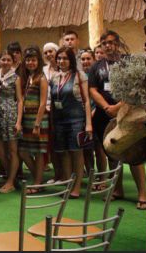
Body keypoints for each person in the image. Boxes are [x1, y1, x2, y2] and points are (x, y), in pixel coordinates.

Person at [88, 30, 146, 210]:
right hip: (104, 115)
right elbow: (92, 89)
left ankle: (142, 194)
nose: (108, 46)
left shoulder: (129, 62)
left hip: (128, 113)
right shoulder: (97, 66)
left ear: (118, 43)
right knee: (112, 152)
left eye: (111, 42)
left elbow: (138, 87)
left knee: (133, 153)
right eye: (104, 43)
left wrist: (119, 107)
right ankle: (117, 189)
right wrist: (107, 107)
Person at [49, 46, 93, 198]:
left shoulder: (80, 75)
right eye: (59, 58)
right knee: (64, 153)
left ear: (71, 60)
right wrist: (52, 123)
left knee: (76, 153)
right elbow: (53, 101)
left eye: (65, 58)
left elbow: (86, 101)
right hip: (59, 120)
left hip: (76, 119)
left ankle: (77, 187)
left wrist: (88, 124)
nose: (61, 61)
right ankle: (68, 184)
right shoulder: (54, 77)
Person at [0, 52, 23, 193]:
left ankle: (10, 181)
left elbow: (20, 100)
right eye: (3, 59)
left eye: (8, 60)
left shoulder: (16, 78)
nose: (5, 62)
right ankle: (12, 176)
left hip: (11, 115)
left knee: (12, 150)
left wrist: (18, 121)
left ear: (12, 62)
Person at [17, 47, 49, 188]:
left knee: (39, 152)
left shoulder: (42, 78)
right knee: (23, 151)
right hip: (26, 120)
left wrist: (37, 124)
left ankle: (37, 182)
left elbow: (43, 103)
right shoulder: (28, 77)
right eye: (28, 60)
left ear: (38, 61)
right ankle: (38, 178)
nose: (30, 63)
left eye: (33, 60)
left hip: (38, 120)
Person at [80, 49, 107, 177]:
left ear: (93, 59)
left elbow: (102, 95)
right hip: (82, 117)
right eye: (83, 59)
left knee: (99, 148)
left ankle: (102, 178)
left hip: (97, 116)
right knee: (86, 149)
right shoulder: (79, 76)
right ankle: (92, 177)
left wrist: (95, 111)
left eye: (88, 58)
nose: (85, 61)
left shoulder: (98, 75)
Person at [42, 42, 62, 183]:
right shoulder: (43, 69)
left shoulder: (64, 68)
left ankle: (67, 175)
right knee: (52, 145)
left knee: (61, 144)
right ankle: (57, 175)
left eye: (51, 51)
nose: (49, 54)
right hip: (45, 110)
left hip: (61, 111)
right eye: (46, 52)